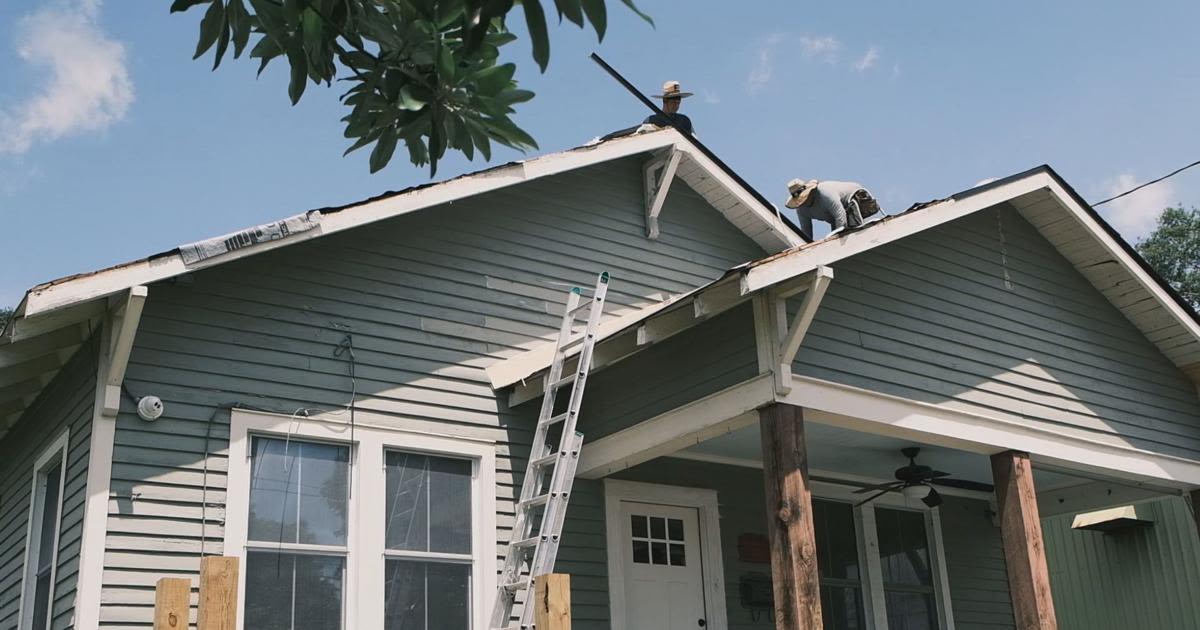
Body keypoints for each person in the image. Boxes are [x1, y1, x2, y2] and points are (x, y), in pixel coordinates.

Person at [785, 178, 882, 239]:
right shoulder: (801, 210)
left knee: (857, 234)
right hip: (837, 218)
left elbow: (840, 214)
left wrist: (836, 238)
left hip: (855, 200)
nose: (803, 202)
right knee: (837, 235)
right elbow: (806, 232)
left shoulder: (824, 193)